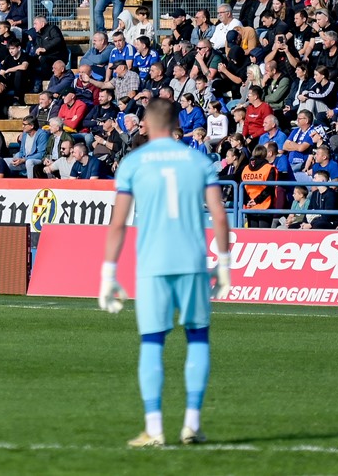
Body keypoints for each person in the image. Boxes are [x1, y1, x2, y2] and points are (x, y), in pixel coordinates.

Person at [99, 98, 232, 448]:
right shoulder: (199, 160)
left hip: (152, 264)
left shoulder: (133, 162)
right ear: (177, 125)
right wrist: (223, 264)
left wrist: (108, 274)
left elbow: (118, 224)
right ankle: (192, 424)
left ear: (146, 123)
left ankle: (154, 428)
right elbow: (220, 216)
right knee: (198, 338)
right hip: (192, 262)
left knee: (152, 342)